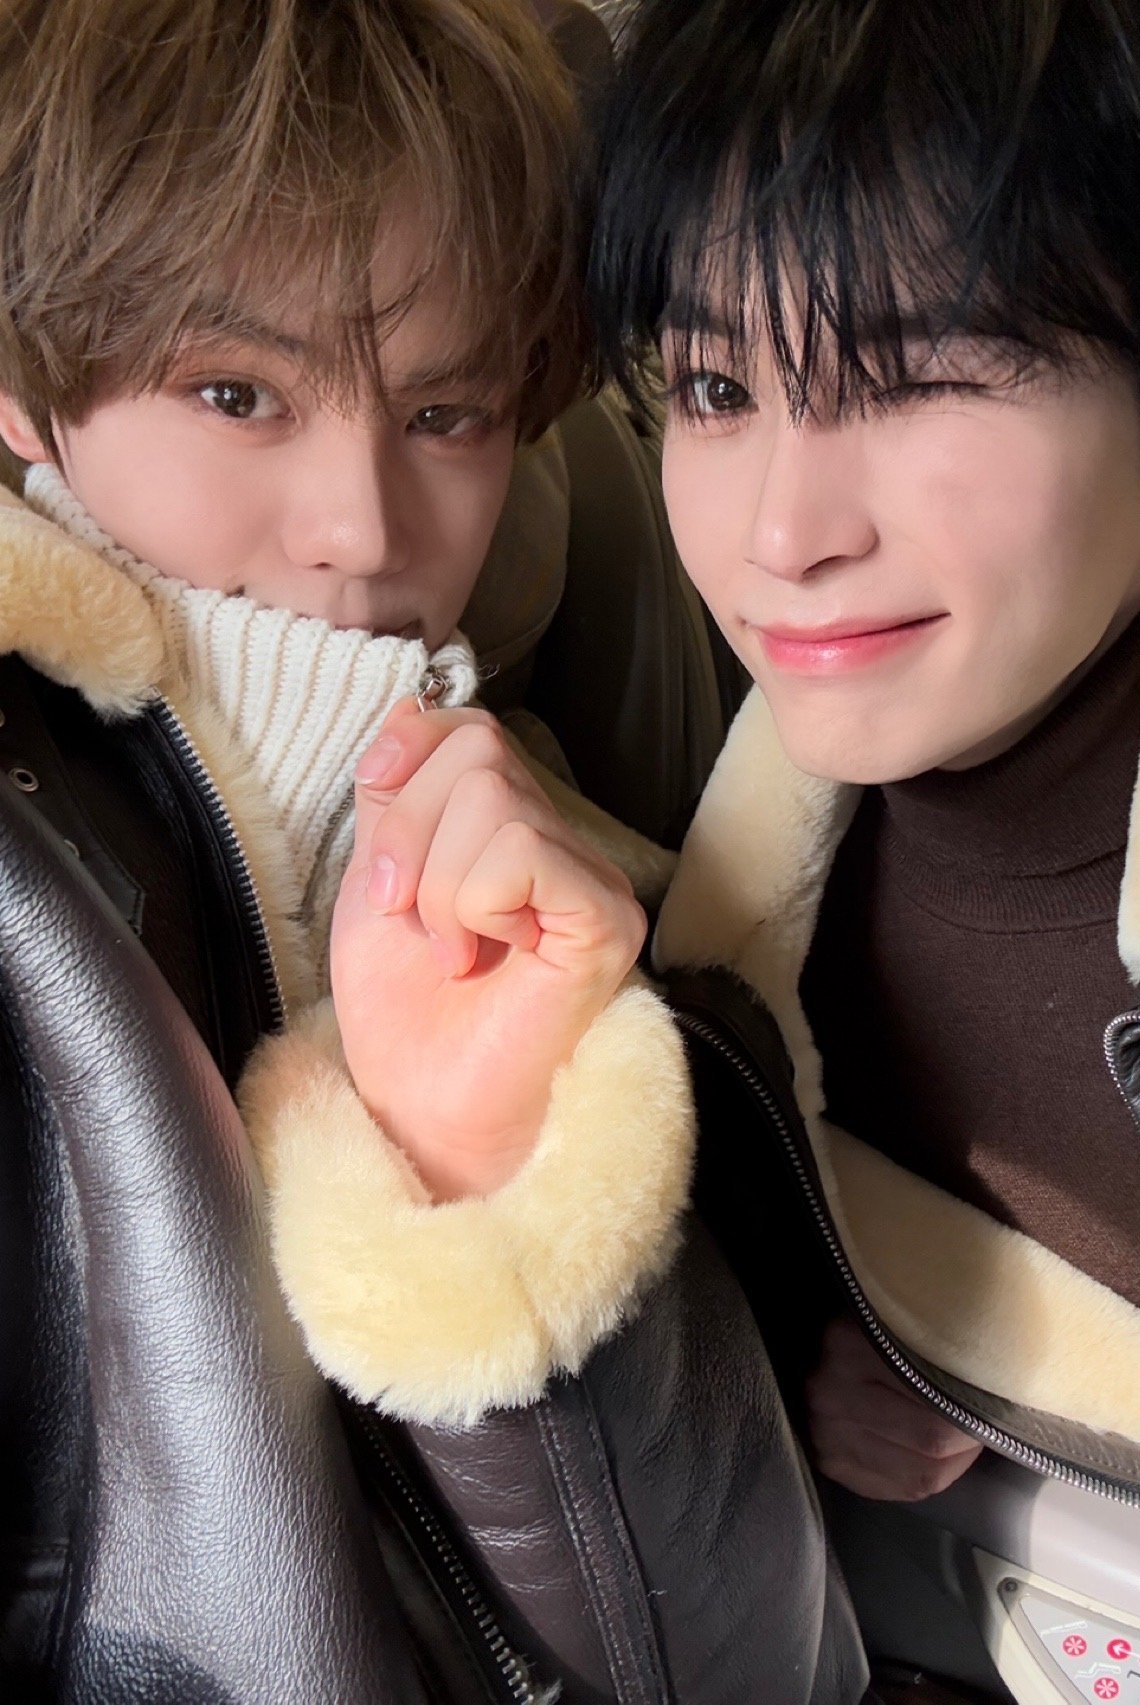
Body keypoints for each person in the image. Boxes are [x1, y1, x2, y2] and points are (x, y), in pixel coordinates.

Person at [0, 0, 864, 1696]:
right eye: (237, 393)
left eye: (447, 415)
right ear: (23, 387)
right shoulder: (38, 895)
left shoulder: (538, 827)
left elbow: (753, 1660)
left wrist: (503, 1170)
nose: (365, 528)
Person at [581, 0, 1140, 1691]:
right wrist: (878, 1351)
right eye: (716, 387)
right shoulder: (725, 916)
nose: (782, 533)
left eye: (920, 378)